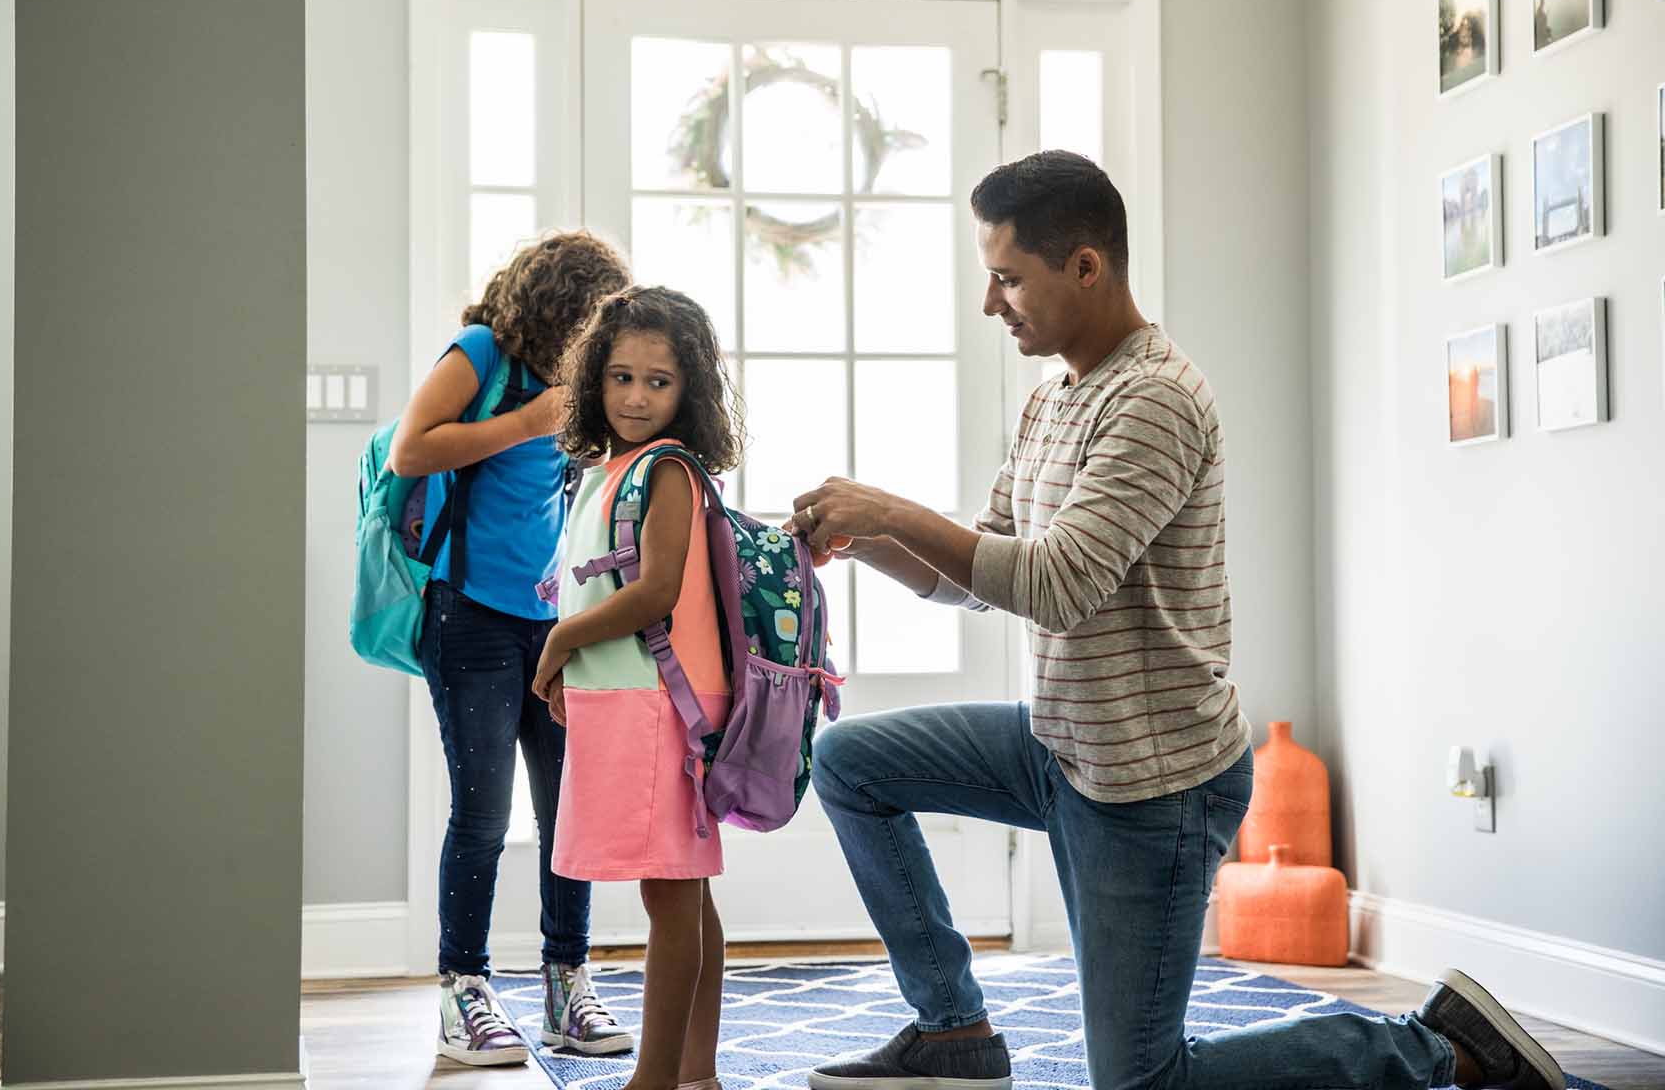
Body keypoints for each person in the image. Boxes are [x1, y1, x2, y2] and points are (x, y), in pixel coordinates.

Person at [788, 151, 1564, 1090]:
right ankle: (953, 1028)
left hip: (1152, 784)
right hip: (1062, 746)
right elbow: (985, 571)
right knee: (850, 763)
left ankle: (1439, 1047)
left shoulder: (1155, 398)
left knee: (1141, 1084)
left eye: (1006, 277)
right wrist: (861, 541)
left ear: (1086, 265)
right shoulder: (1054, 400)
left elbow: (1058, 583)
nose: (992, 304)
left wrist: (892, 510)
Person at [389, 231, 633, 1066]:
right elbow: (409, 450)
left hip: (553, 620)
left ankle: (568, 984)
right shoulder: (483, 353)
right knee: (485, 816)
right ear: (555, 310)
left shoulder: (584, 375)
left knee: (572, 812)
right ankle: (466, 992)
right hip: (468, 618)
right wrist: (526, 421)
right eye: (589, 323)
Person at [532, 286, 746, 1090]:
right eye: (620, 377)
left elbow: (655, 592)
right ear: (594, 381)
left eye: (659, 381)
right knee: (687, 892)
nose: (635, 396)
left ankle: (654, 1079)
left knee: (671, 897)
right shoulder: (605, 470)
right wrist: (573, 669)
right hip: (628, 699)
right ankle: (698, 1074)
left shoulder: (667, 471)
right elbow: (596, 586)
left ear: (689, 389)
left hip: (664, 705)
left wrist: (558, 643)